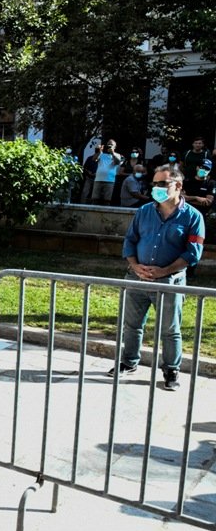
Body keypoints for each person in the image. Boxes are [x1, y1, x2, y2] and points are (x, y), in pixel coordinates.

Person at [109, 165, 205, 391]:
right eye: (154, 183)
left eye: (162, 183)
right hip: (136, 278)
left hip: (169, 282)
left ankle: (171, 370)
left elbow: (193, 253)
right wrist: (135, 266)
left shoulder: (193, 217)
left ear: (178, 185)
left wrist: (164, 271)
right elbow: (130, 240)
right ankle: (128, 362)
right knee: (131, 325)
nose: (156, 188)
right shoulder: (144, 211)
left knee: (170, 329)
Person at [92, 139, 123, 205]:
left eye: (111, 145)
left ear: (115, 147)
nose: (109, 146)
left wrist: (112, 153)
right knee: (95, 199)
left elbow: (117, 162)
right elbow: (94, 159)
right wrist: (99, 151)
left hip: (110, 180)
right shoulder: (101, 154)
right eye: (108, 144)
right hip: (98, 179)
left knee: (107, 200)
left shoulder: (117, 155)